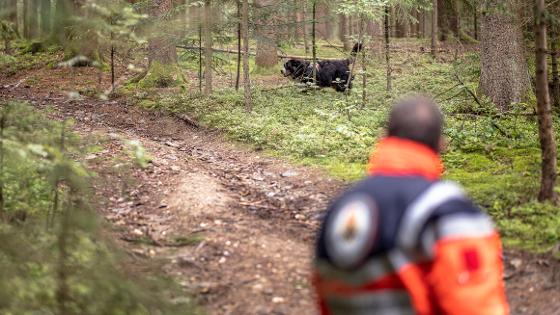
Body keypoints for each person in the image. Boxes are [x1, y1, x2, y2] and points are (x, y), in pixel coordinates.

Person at [312, 96, 509, 315]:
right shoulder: (447, 209)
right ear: (441, 143)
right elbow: (475, 306)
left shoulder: (340, 206)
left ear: (385, 137)